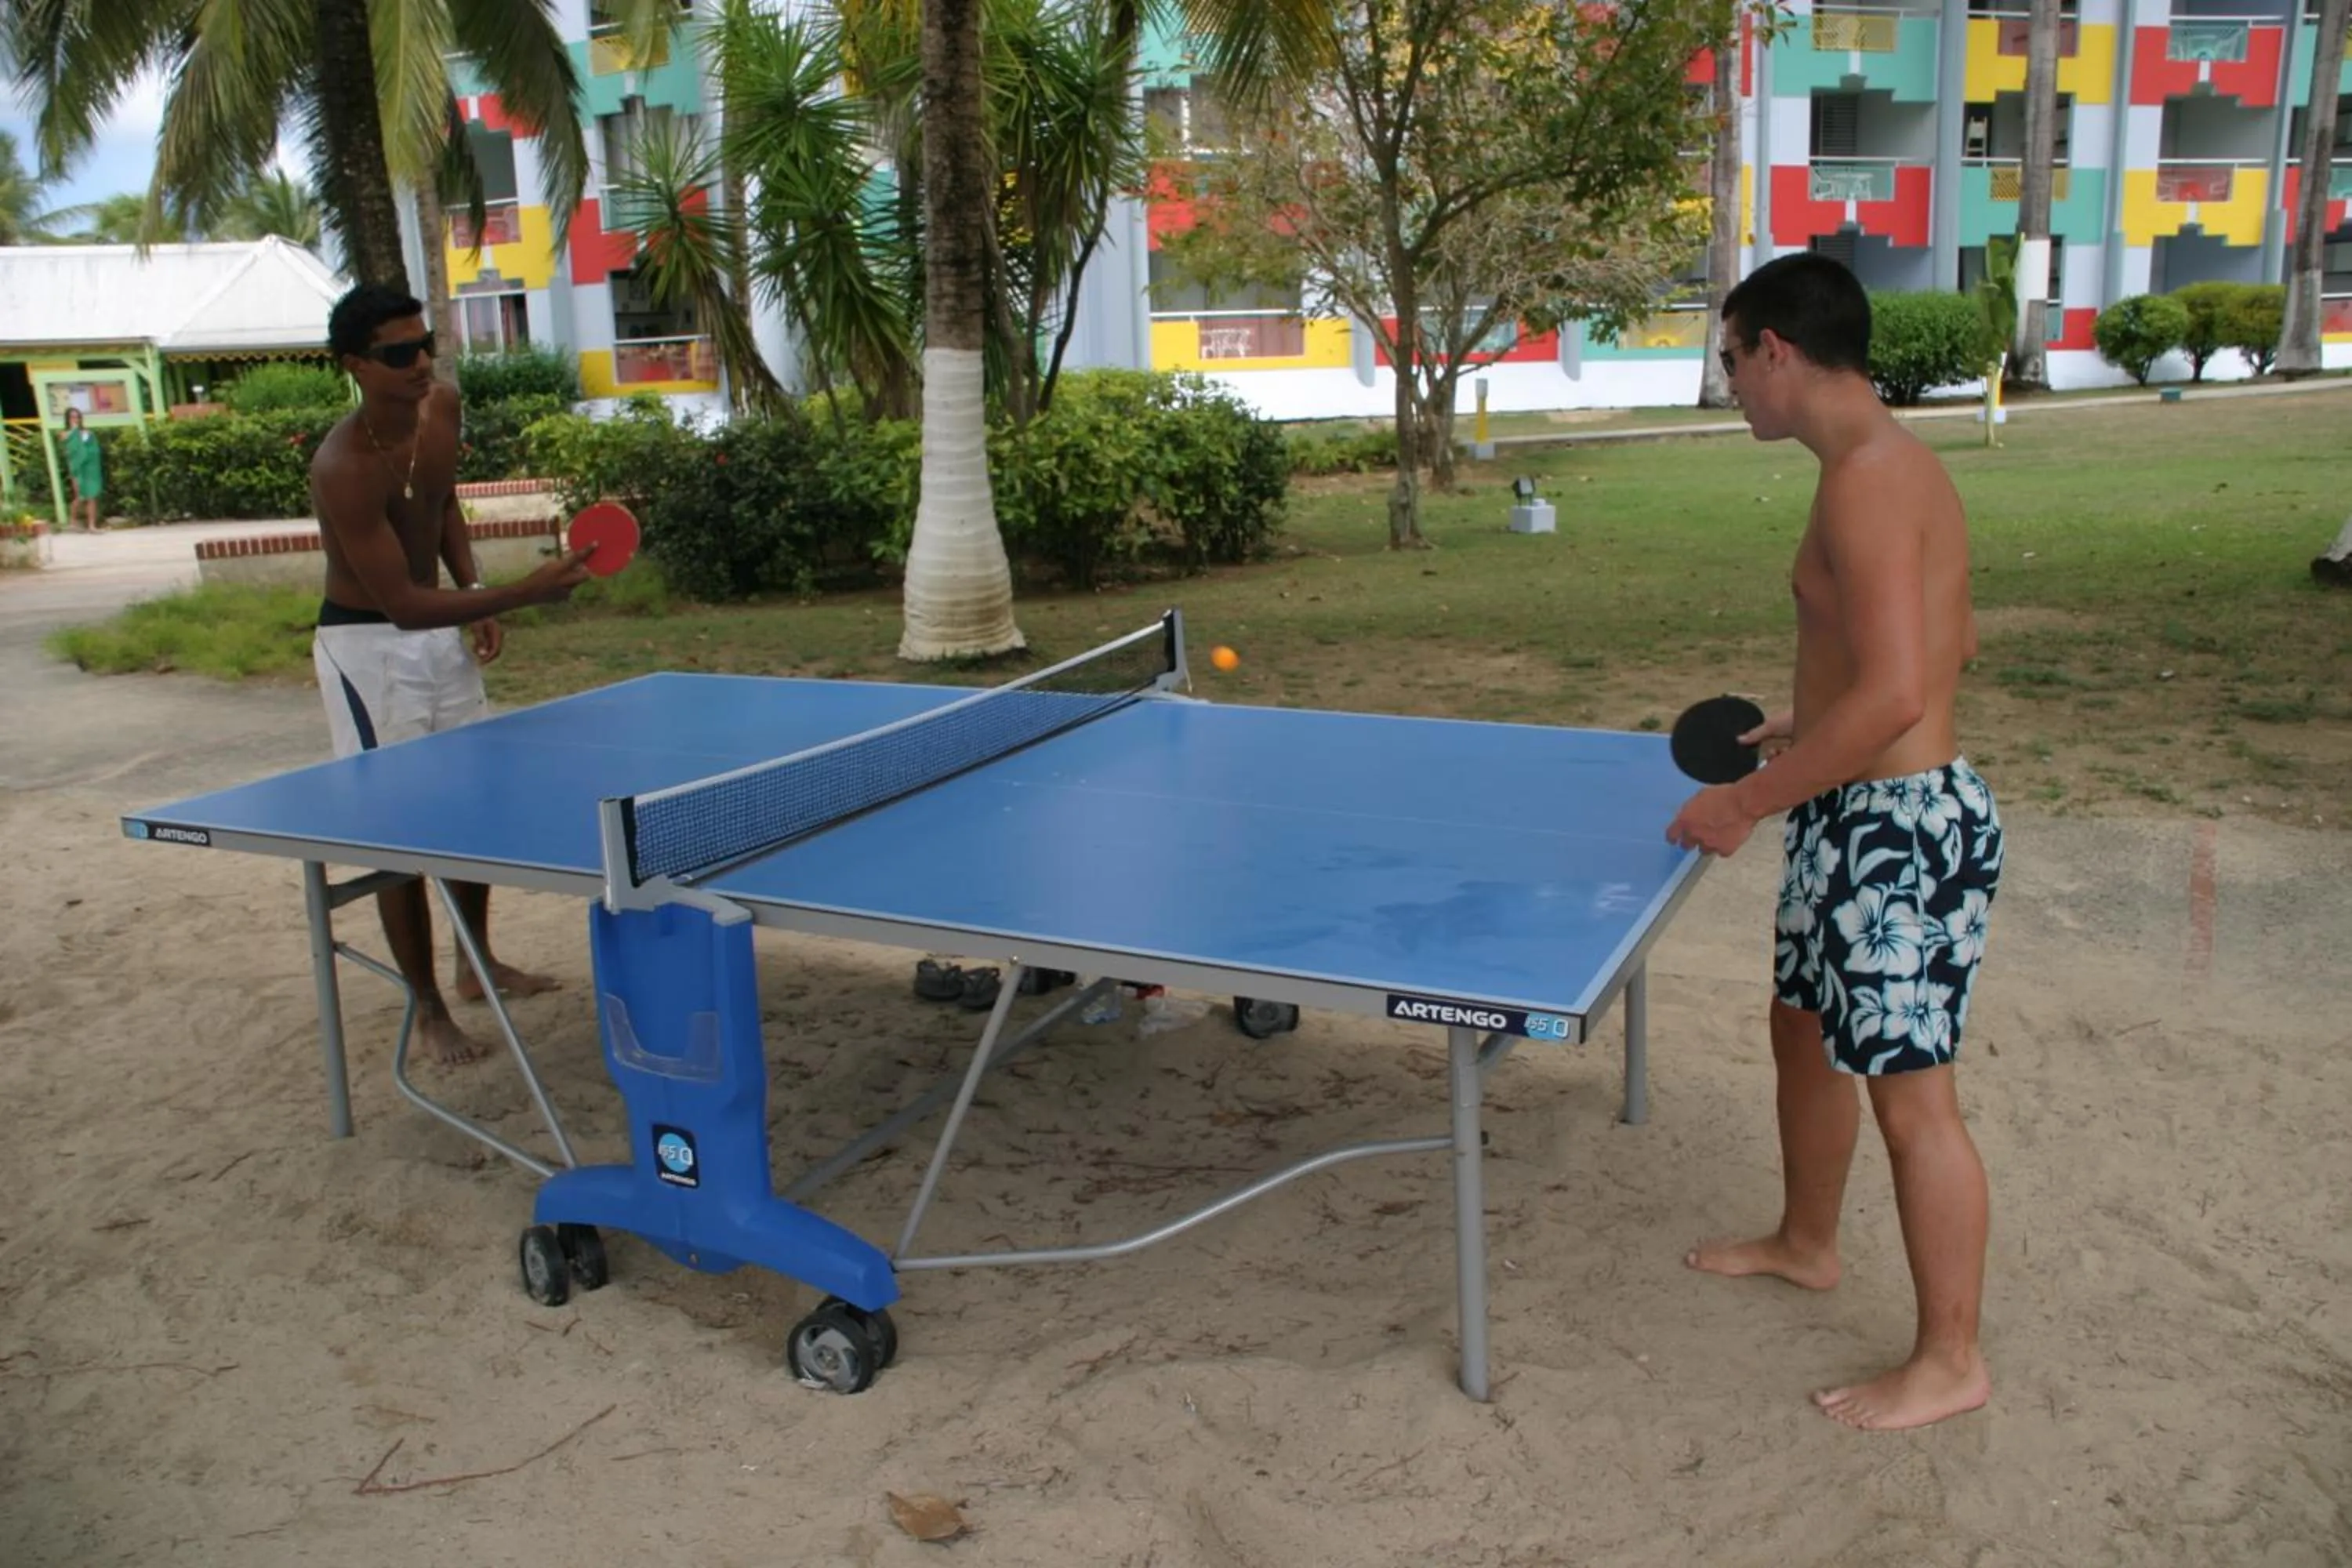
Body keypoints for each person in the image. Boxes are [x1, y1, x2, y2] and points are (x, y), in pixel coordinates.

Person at [1664, 252, 2004, 1432]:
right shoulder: (1886, 464)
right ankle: (1809, 1241)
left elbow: (1905, 695)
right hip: (1856, 813)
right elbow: (1942, 652)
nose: (1732, 386)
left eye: (1730, 360)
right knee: (1800, 1029)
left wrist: (1743, 804)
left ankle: (1950, 1359)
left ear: (1776, 350)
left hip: (1897, 836)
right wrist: (1810, 725)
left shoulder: (1867, 477)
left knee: (1916, 1105)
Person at [310, 282, 595, 1066]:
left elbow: (440, 504)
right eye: (399, 354)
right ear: (356, 366)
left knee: (474, 809)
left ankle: (478, 962)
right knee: (400, 832)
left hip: (437, 627)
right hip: (370, 650)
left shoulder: (443, 406)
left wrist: (472, 593)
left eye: (426, 343)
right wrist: (526, 591)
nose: (421, 363)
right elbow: (399, 603)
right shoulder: (344, 465)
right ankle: (427, 1003)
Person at [60, 407, 103, 532]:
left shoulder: (87, 433)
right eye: (73, 417)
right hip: (77, 470)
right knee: (80, 496)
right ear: (68, 419)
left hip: (90, 469)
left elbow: (94, 449)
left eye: (78, 417)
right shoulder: (65, 433)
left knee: (92, 496)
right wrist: (74, 430)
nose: (76, 419)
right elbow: (68, 445)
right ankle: (72, 522)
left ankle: (92, 526)